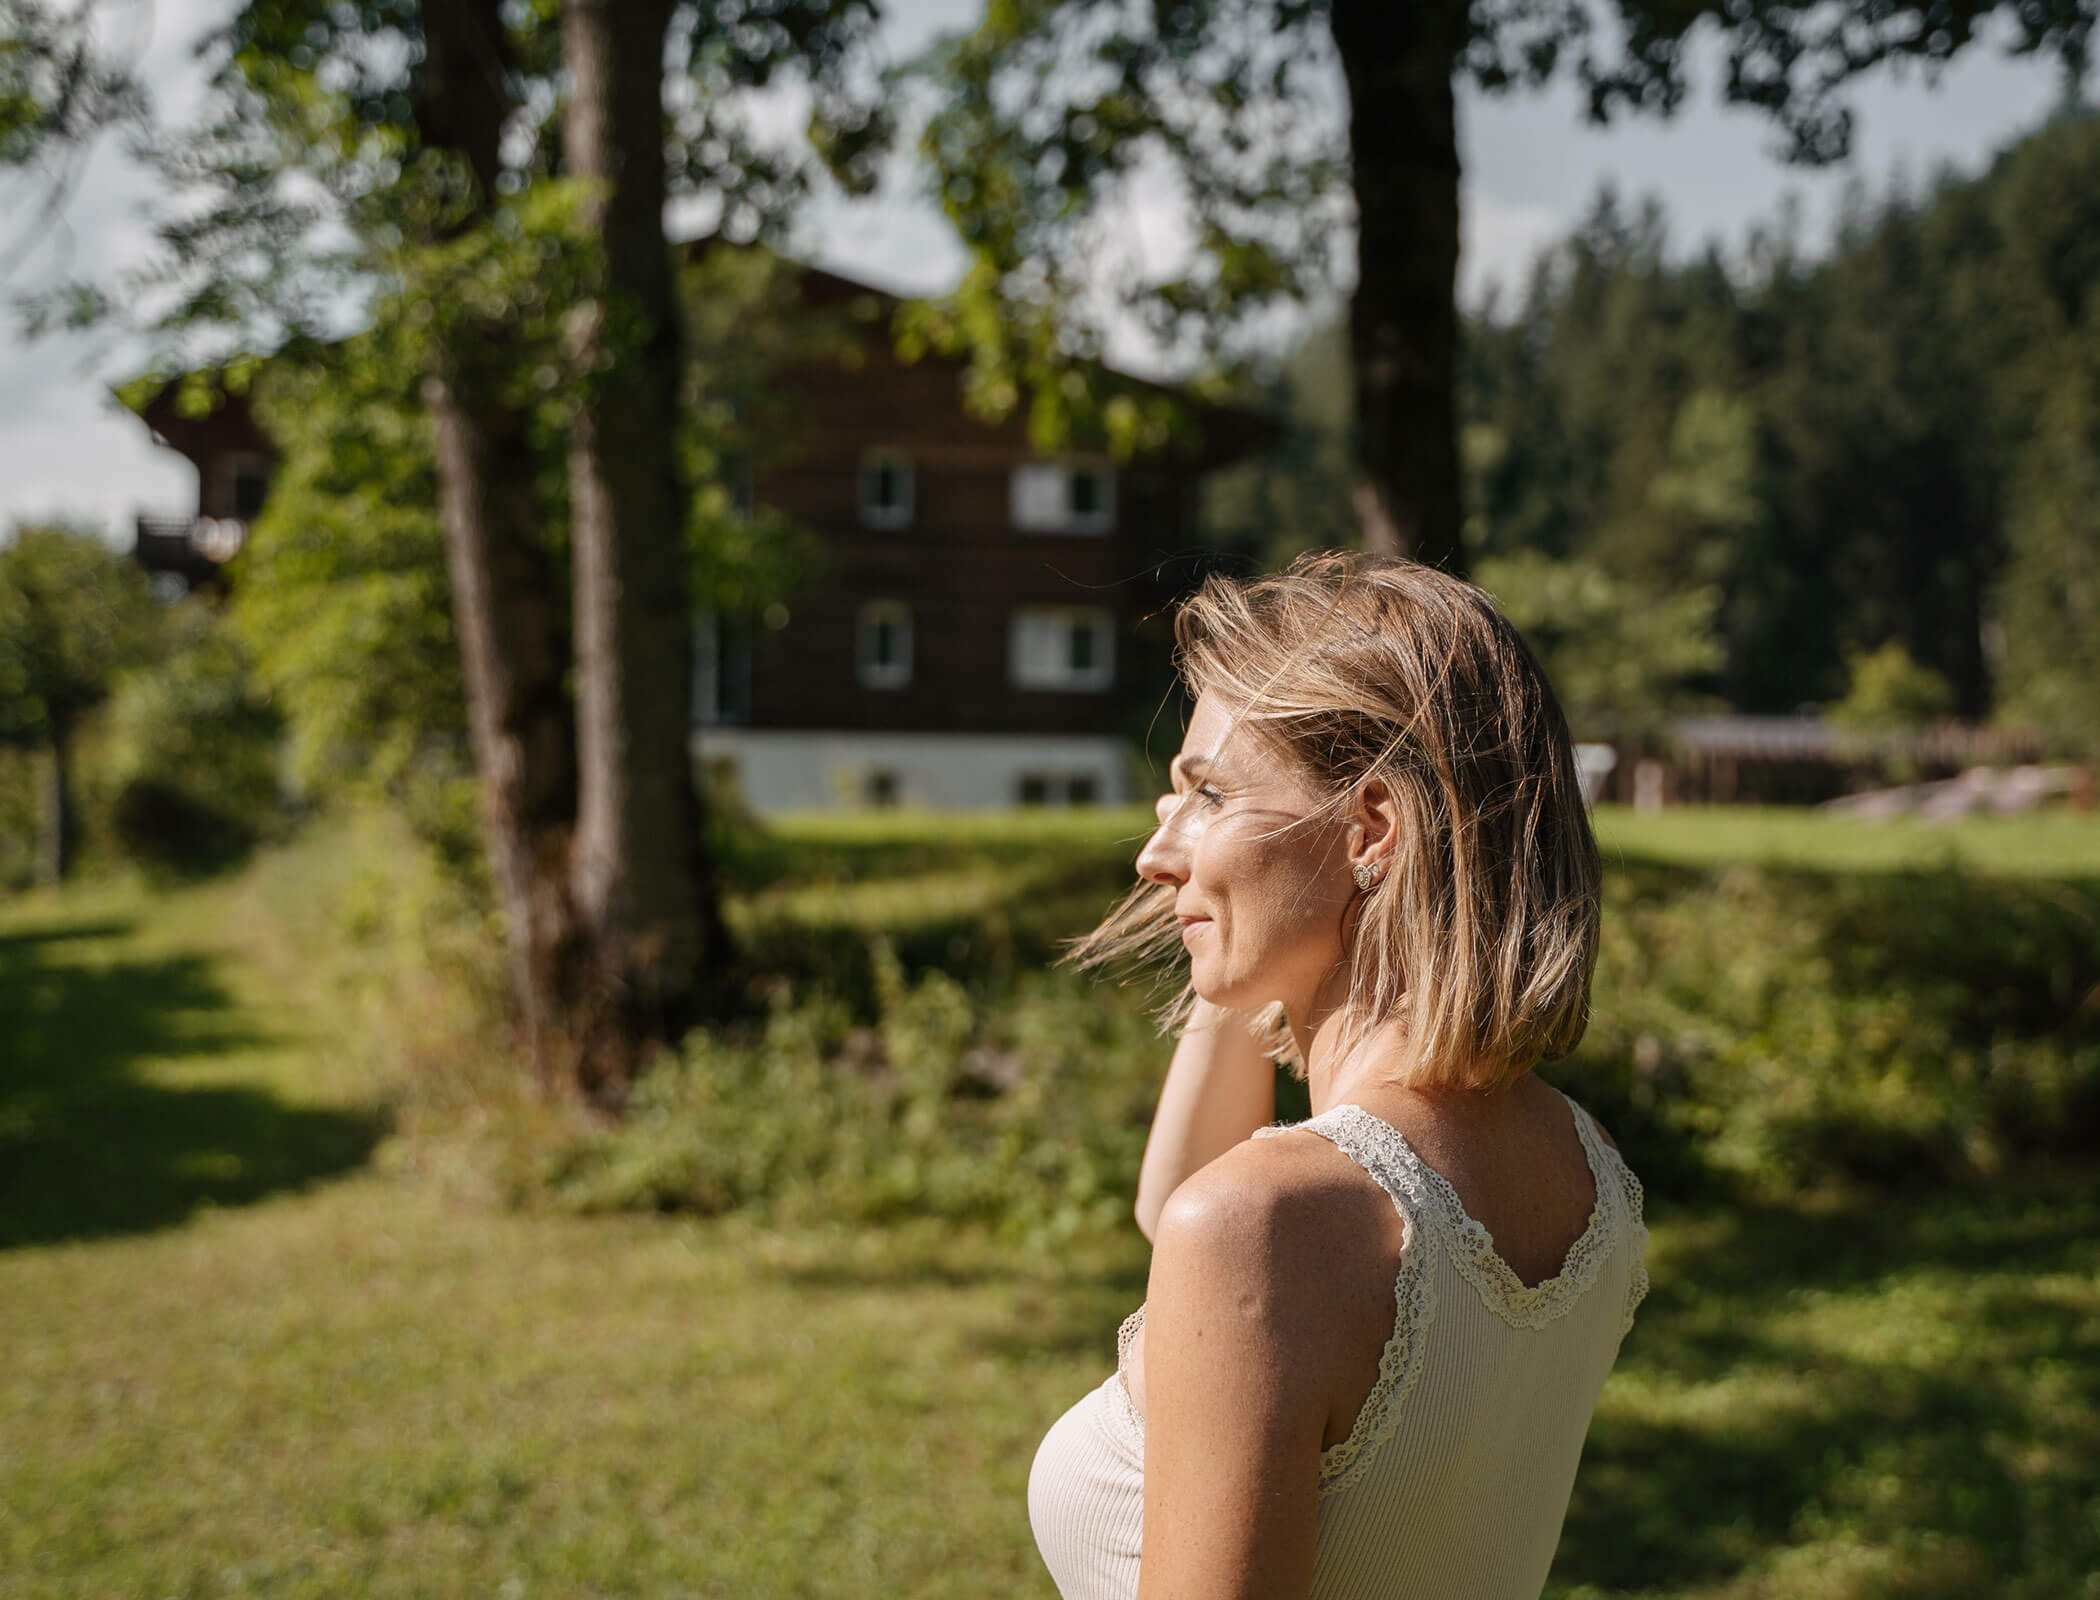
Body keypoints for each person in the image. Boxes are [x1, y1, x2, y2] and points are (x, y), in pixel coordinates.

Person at [1027, 552, 1650, 1600]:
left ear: (1372, 828)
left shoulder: (1265, 1230)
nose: (1155, 854)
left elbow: (1220, 1227)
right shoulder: (1594, 1185)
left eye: (1210, 793)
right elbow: (1174, 1203)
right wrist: (1249, 941)